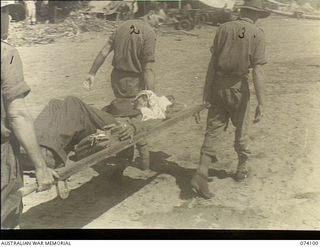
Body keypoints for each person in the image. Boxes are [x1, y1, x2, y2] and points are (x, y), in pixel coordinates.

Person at [191, 0, 270, 199]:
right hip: (238, 88)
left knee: (214, 128)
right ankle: (241, 168)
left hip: (218, 85)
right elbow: (258, 71)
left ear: (242, 10)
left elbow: (212, 63)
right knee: (242, 130)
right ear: (256, 14)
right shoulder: (257, 34)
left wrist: (206, 92)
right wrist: (262, 101)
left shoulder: (223, 28)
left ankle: (201, 172)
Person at [83, 8, 163, 170]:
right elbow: (148, 69)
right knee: (134, 119)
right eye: (159, 20)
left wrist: (92, 73)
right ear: (150, 13)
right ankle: (136, 158)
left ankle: (134, 156)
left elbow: (104, 51)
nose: (159, 24)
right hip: (134, 80)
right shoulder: (148, 33)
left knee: (126, 116)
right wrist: (151, 93)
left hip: (117, 78)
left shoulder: (123, 26)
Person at [1, 1, 58, 229]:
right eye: (5, 12)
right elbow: (18, 115)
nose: (9, 19)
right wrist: (40, 167)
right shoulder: (6, 53)